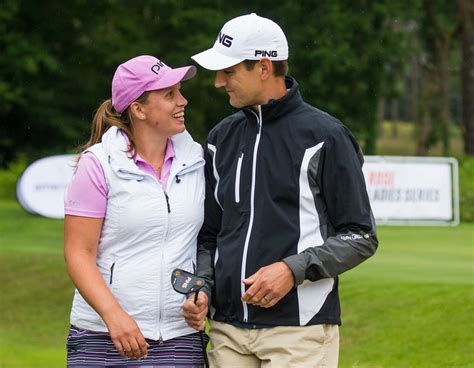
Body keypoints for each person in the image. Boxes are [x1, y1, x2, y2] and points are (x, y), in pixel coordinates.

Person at [182, 13, 378, 367]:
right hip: (227, 328)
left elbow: (360, 236)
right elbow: (209, 235)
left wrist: (292, 269)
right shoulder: (220, 138)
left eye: (228, 72)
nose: (217, 82)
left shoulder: (326, 136)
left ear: (263, 67)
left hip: (298, 330)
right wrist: (203, 284)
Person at [64, 55, 207, 367]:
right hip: (102, 334)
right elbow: (78, 253)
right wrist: (113, 315)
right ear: (138, 109)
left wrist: (202, 294)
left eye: (180, 91)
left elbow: (205, 243)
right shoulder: (98, 164)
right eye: (169, 94)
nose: (182, 101)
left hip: (178, 337)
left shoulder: (198, 160)